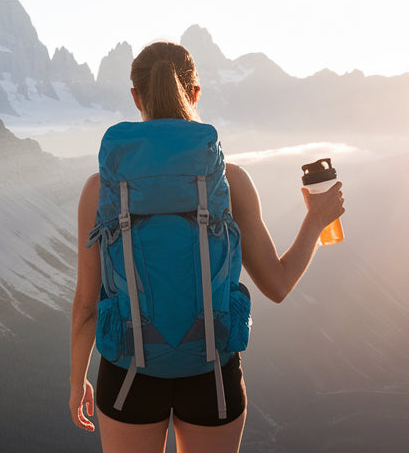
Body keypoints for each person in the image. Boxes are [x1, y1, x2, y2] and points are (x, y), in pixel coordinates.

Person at [67, 41, 346, 452]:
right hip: (212, 377)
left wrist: (78, 383)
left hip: (128, 377)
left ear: (135, 97)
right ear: (196, 93)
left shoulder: (100, 189)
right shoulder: (230, 182)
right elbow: (278, 284)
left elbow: (86, 307)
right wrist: (316, 220)